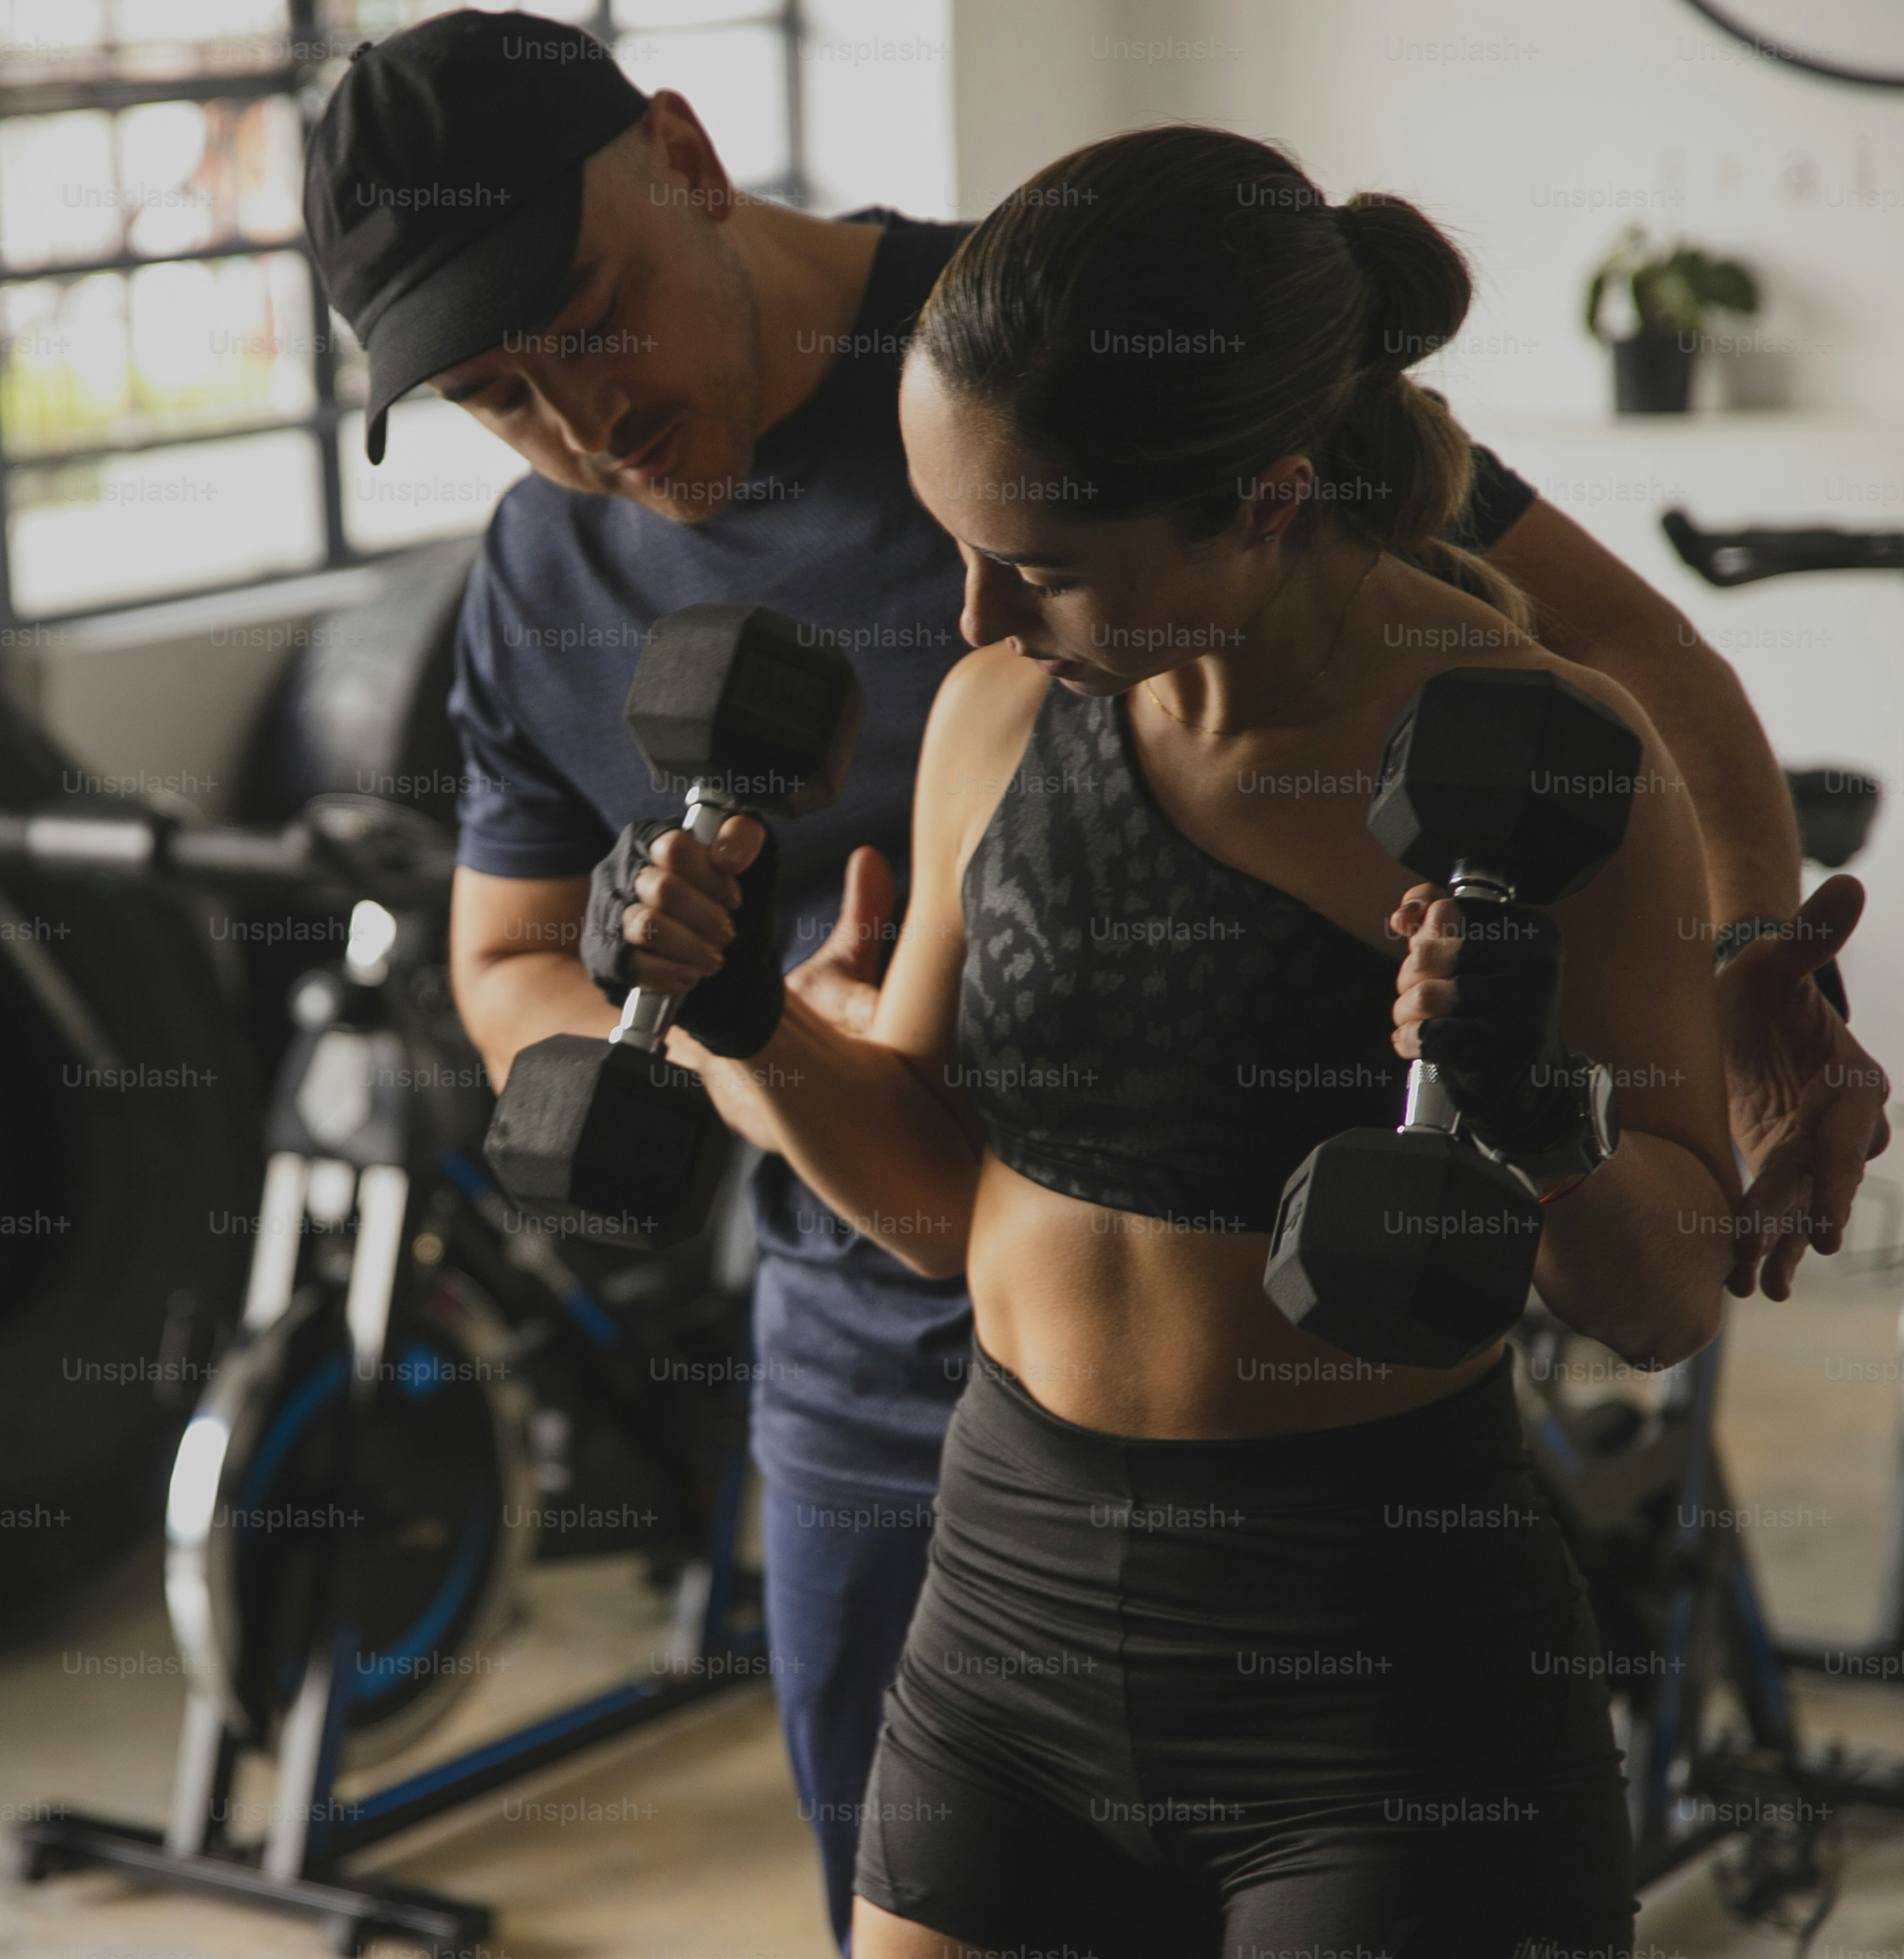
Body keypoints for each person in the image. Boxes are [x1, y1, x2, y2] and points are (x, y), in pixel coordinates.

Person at [298, 13, 1889, 1945]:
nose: (571, 419)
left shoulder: (1094, 346)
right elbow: (622, 1024)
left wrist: (1696, 1008)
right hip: (966, 1521)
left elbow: (1645, 700)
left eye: (586, 315)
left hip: (1362, 1598)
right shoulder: (866, 664)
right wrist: (735, 1019)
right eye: (490, 393)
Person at [624, 123, 1729, 1950]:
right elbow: (935, 1199)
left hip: (1380, 1675)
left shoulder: (1544, 754)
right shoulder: (995, 716)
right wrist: (743, 1014)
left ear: (1266, 496)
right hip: (1002, 1624)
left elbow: (1664, 1297)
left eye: (1039, 566)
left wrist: (1545, 1118)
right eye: (954, 545)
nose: (971, 615)